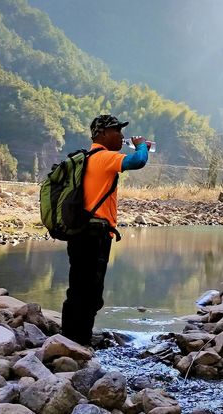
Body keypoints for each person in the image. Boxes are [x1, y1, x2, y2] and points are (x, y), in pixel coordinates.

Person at [60, 114, 150, 346]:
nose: (121, 135)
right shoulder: (103, 157)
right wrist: (141, 146)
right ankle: (77, 342)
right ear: (101, 134)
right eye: (116, 130)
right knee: (89, 291)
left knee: (79, 287)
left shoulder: (88, 158)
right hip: (94, 235)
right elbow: (138, 161)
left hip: (81, 233)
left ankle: (72, 339)